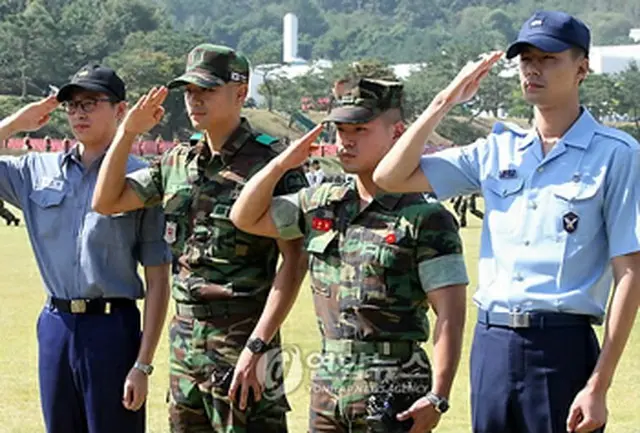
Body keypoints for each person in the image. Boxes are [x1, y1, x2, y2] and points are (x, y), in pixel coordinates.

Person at [373, 11, 640, 433]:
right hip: (493, 344)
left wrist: (598, 385)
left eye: (549, 57)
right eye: (525, 58)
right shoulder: (496, 150)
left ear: (582, 69)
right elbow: (389, 176)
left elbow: (630, 273)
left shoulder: (616, 154)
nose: (533, 68)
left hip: (562, 346)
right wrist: (445, 100)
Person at [230, 78, 469, 433]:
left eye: (360, 129)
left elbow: (449, 314)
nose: (347, 140)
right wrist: (282, 164)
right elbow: (244, 216)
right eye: (340, 130)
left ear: (396, 132)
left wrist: (438, 396)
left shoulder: (425, 218)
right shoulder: (321, 203)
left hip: (395, 382)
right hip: (330, 380)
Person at [91, 44, 309, 432]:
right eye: (189, 91)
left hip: (243, 339)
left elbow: (294, 261)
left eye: (206, 90)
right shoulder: (178, 161)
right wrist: (127, 133)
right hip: (185, 345)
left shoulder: (272, 163)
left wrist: (258, 345)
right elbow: (106, 201)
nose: (194, 100)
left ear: (240, 93)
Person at [0, 64, 172, 433]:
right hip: (55, 325)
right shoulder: (35, 170)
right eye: (72, 104)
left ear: (121, 110)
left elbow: (158, 278)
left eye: (91, 102)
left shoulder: (142, 180)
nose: (79, 112)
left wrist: (143, 364)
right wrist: (14, 122)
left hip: (113, 329)